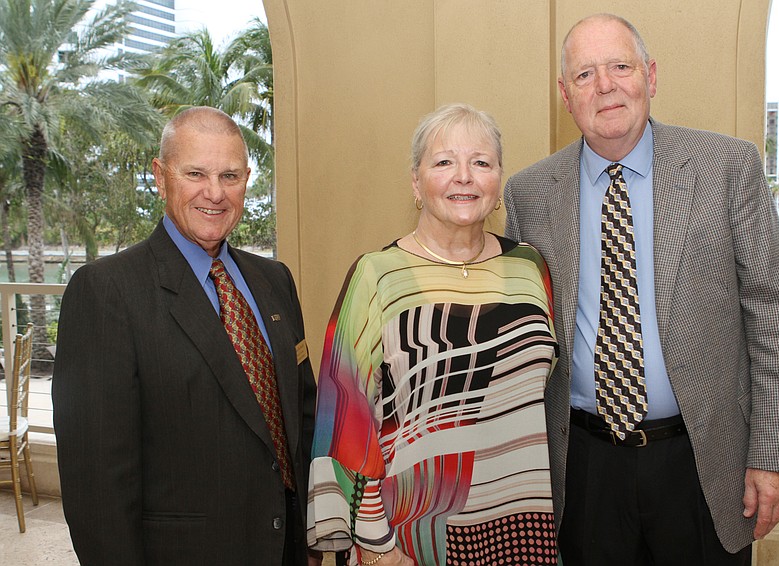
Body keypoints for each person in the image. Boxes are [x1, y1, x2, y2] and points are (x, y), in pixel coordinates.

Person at [504, 13, 779, 565]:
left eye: (620, 66)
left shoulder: (725, 167)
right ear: (565, 95)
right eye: (585, 74)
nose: (605, 86)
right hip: (584, 469)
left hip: (701, 463)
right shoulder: (528, 194)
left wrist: (776, 456)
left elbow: (775, 317)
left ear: (650, 74)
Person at [53, 106, 321, 566]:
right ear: (160, 177)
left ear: (248, 179)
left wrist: (311, 538)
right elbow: (96, 484)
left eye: (230, 175)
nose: (214, 193)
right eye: (195, 173)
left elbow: (303, 416)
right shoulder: (106, 291)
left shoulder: (275, 280)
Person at [307, 103, 560, 565]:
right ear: (416, 183)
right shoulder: (377, 276)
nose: (463, 176)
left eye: (481, 162)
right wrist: (377, 547)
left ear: (499, 180)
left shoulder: (530, 268)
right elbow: (345, 417)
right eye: (444, 162)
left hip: (524, 531)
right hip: (412, 539)